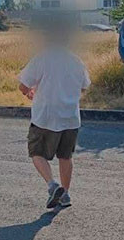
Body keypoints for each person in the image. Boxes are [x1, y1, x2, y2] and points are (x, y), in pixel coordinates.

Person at [18, 30, 90, 208]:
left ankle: (52, 185)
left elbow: (23, 85)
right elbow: (84, 86)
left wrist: (30, 92)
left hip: (46, 116)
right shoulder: (75, 61)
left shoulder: (42, 58)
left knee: (36, 152)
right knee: (66, 156)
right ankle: (65, 195)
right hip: (70, 117)